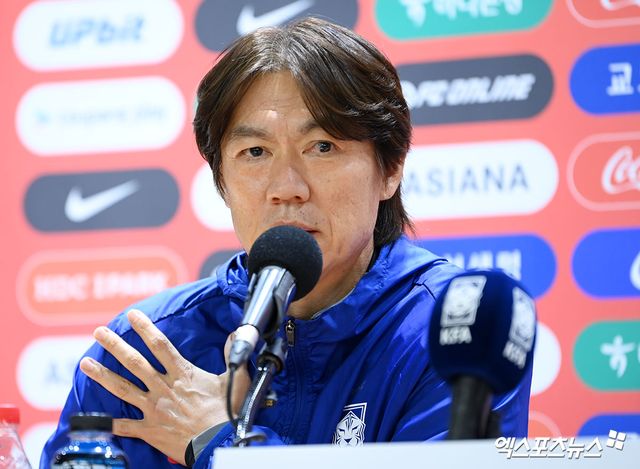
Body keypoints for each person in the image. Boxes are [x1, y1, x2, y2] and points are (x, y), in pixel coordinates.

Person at [41, 17, 532, 468]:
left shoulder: (454, 332)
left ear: (391, 169)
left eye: (323, 147)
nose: (287, 187)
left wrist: (221, 443)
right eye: (255, 152)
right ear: (221, 181)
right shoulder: (149, 350)